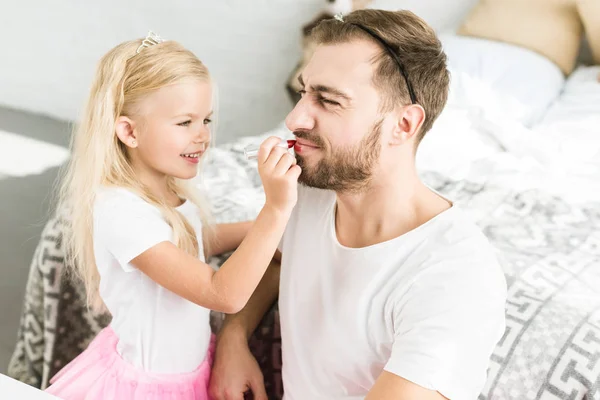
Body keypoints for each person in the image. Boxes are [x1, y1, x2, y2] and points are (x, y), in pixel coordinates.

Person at [209, 9, 507, 400]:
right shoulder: (310, 191)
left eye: (328, 101)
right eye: (304, 92)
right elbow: (280, 257)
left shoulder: (456, 277)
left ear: (403, 125)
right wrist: (234, 336)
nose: (295, 117)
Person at [45, 32, 300, 400]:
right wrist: (274, 211)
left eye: (206, 120)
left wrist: (256, 233)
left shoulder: (167, 188)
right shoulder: (121, 211)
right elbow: (222, 294)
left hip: (188, 371)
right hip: (148, 388)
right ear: (129, 132)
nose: (203, 137)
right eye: (185, 123)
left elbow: (189, 245)